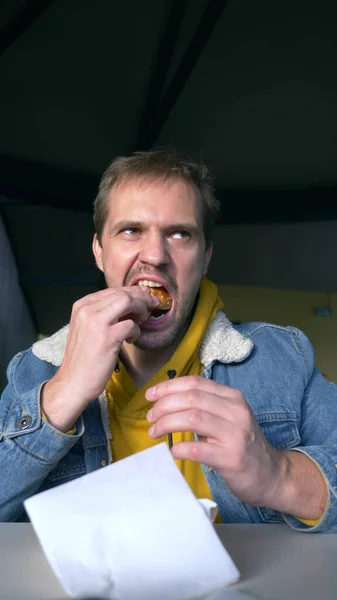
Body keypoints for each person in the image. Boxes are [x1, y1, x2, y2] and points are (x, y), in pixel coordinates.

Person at [1, 149, 337, 531]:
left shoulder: (282, 358)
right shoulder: (35, 369)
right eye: (131, 230)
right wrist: (61, 394)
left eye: (180, 233)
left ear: (205, 256)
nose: (156, 255)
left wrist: (278, 475)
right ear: (99, 251)